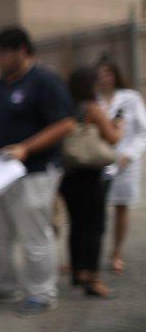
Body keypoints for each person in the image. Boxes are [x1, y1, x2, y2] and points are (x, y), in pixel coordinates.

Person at [0, 26, 77, 314]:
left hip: (32, 172)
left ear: (22, 50)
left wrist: (27, 147)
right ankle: (4, 284)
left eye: (4, 53)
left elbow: (65, 123)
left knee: (34, 234)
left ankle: (42, 292)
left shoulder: (43, 81)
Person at [60, 68, 122, 297]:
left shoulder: (67, 108)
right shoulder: (92, 109)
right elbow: (112, 138)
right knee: (94, 226)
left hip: (69, 175)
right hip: (90, 175)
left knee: (76, 225)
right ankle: (93, 277)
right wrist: (119, 126)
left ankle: (78, 271)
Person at [96, 60, 146, 274]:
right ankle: (90, 255)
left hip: (126, 162)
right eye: (100, 74)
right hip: (99, 161)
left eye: (108, 73)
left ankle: (116, 252)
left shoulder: (130, 98)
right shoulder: (93, 101)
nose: (104, 78)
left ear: (115, 75)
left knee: (121, 207)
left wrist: (130, 154)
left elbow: (143, 131)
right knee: (95, 211)